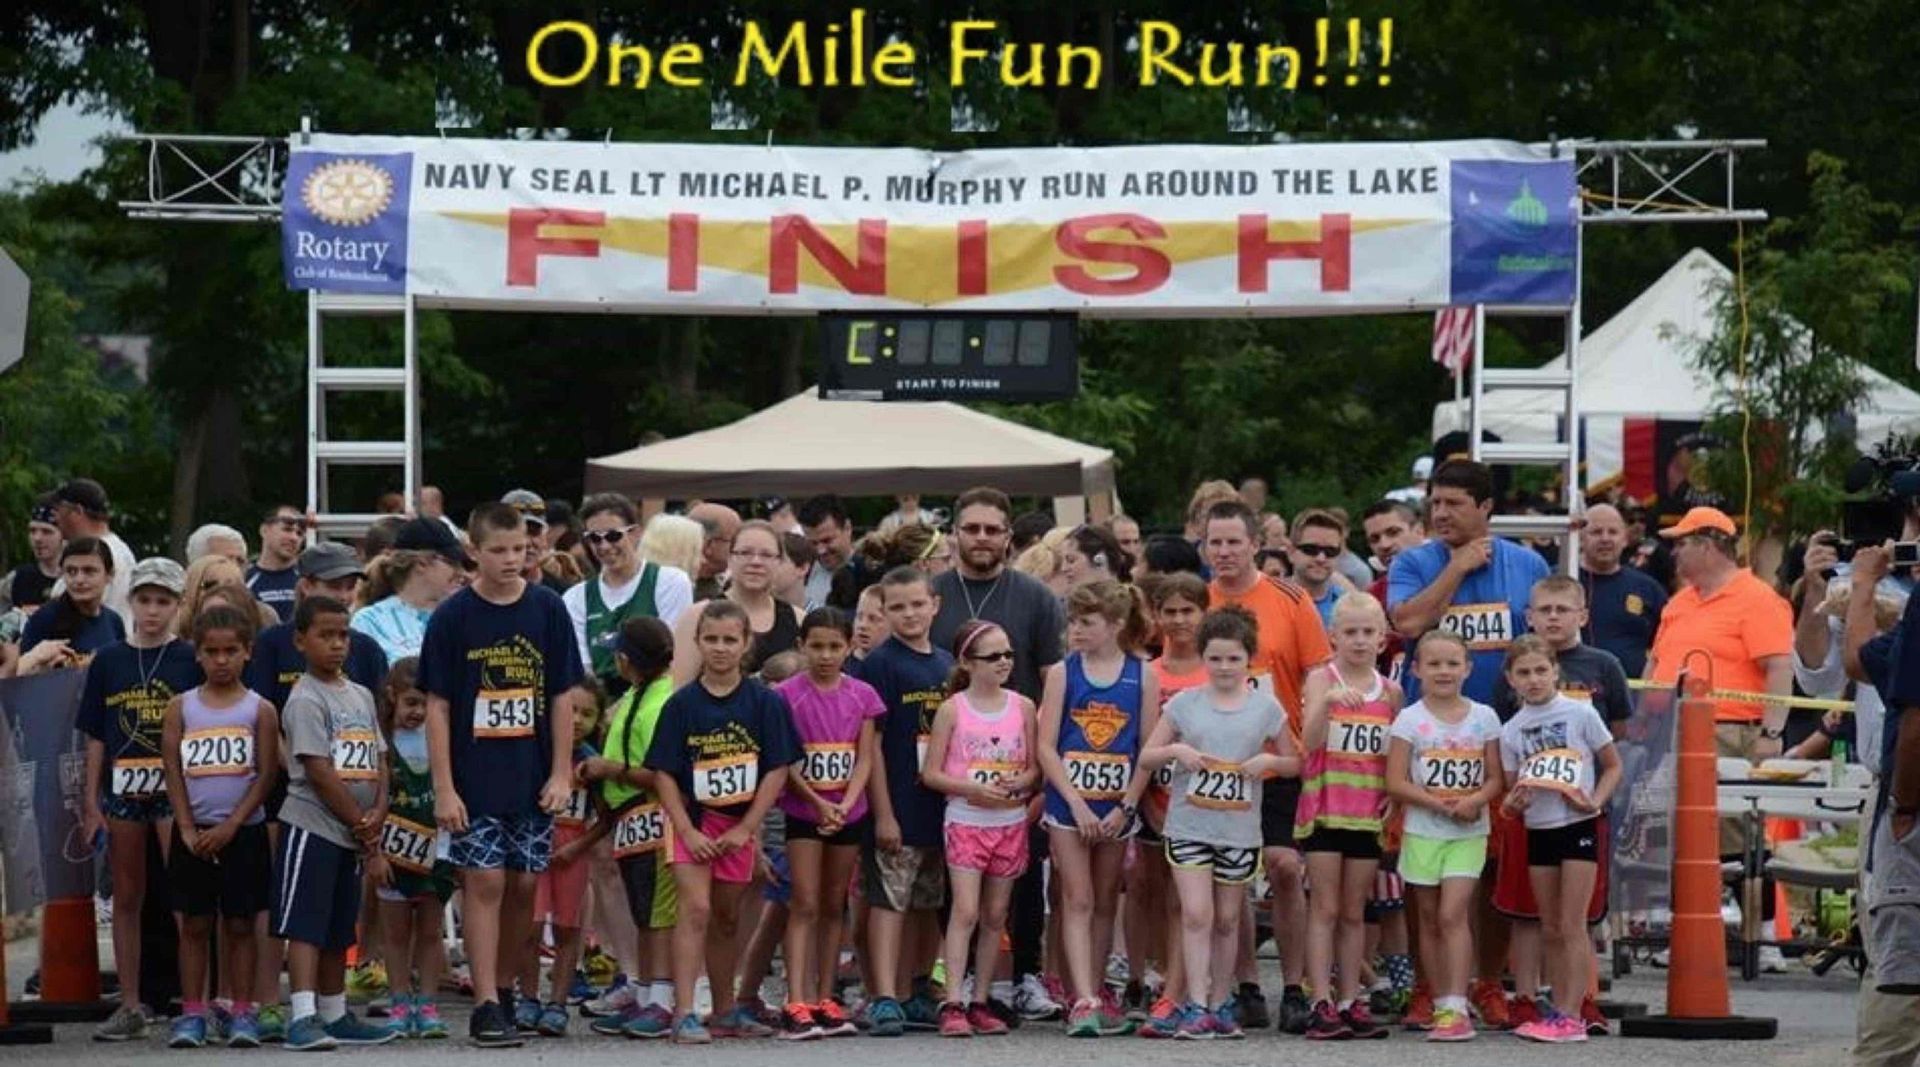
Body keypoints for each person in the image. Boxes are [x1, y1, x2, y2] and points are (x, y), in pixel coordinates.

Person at [420, 502, 585, 1047]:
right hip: (473, 775)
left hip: (533, 773)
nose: (511, 559)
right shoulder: (453, 617)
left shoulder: (547, 610)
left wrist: (563, 772)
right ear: (474, 552)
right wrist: (443, 787)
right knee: (484, 881)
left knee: (523, 883)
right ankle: (486, 998)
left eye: (519, 549)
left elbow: (562, 696)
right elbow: (438, 706)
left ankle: (510, 986)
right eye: (498, 551)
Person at [930, 487, 1066, 1021]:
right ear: (956, 534)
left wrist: (1040, 775)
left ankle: (1024, 975)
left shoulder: (1034, 597)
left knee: (1018, 890)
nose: (982, 538)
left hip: (1018, 753)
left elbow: (1053, 677)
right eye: (972, 528)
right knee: (953, 895)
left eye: (992, 529)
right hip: (952, 755)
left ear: (1008, 536)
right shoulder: (934, 592)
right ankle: (949, 987)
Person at [644, 600, 800, 1044]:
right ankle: (686, 1011)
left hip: (737, 825)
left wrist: (747, 828)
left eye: (730, 639)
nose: (720, 648)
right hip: (693, 818)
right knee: (695, 909)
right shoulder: (682, 705)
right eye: (711, 639)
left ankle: (726, 1009)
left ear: (746, 644)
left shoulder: (764, 703)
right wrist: (688, 830)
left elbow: (776, 768)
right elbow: (664, 774)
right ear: (697, 643)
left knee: (727, 917)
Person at [1138, 606, 1298, 1040]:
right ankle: (1194, 1002)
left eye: (1233, 659)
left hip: (1240, 831)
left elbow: (1296, 761)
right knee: (1195, 913)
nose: (1224, 667)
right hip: (1189, 826)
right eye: (1215, 658)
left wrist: (1269, 760)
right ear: (1203, 659)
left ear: (1249, 660)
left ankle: (1220, 1002)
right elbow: (1146, 755)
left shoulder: (1267, 708)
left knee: (1228, 918)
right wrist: (1176, 752)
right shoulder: (1185, 705)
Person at [1201, 498, 1331, 1031]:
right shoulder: (1196, 600)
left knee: (1281, 866)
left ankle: (1295, 987)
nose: (1225, 551)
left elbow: (1319, 673)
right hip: (1216, 763)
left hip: (1278, 760)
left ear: (1256, 543)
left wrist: (1309, 742)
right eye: (1215, 541)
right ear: (1203, 546)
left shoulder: (1290, 599)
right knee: (1227, 875)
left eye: (1235, 540)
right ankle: (1246, 984)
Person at [82, 558, 202, 1042]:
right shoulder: (109, 661)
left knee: (184, 893)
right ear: (130, 601)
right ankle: (131, 1002)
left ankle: (196, 999)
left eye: (163, 601)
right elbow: (95, 735)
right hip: (124, 791)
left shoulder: (189, 658)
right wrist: (91, 802)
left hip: (177, 790)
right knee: (128, 896)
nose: (152, 611)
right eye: (145, 600)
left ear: (178, 606)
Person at [271, 595, 399, 1050]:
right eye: (325, 636)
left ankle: (334, 1010)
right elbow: (319, 769)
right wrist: (362, 824)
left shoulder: (361, 693)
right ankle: (303, 1015)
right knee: (306, 922)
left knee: (338, 925)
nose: (337, 644)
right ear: (301, 641)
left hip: (354, 830)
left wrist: (379, 809)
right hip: (316, 825)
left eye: (343, 634)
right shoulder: (305, 698)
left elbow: (380, 758)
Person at [1037, 580, 1157, 1037]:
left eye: (1087, 622)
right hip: (1071, 805)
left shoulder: (1142, 674)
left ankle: (1097, 988)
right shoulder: (1064, 673)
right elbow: (1046, 747)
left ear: (1115, 625)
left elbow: (1146, 748)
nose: (1076, 630)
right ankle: (1081, 997)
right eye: (1073, 622)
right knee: (1078, 897)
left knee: (1106, 900)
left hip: (1116, 807)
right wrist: (1076, 804)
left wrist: (1125, 806)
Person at [159, 604, 277, 1049]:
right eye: (212, 651)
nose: (222, 660)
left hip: (242, 832)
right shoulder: (181, 707)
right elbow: (172, 768)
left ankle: (242, 1009)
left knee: (242, 923)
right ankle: (193, 1011)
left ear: (247, 652)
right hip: (194, 832)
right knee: (194, 923)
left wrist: (233, 825)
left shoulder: (259, 709)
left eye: (231, 651)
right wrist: (187, 828)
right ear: (198, 654)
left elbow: (265, 774)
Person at [1644, 507, 1793, 855]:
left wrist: (1771, 734)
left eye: (1681, 543)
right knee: (1673, 835)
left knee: (1730, 834)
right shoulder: (1680, 601)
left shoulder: (1757, 598)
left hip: (1728, 732)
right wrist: (1645, 721)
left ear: (1707, 546)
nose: (1674, 553)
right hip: (1669, 729)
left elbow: (1779, 667)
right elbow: (1654, 663)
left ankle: (1747, 905)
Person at [1498, 636, 1622, 1046]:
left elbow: (1612, 766)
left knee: (1573, 924)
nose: (1533, 680)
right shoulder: (1512, 731)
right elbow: (1513, 796)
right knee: (1549, 925)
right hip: (1540, 829)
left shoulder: (1579, 713)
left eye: (1540, 671)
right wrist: (1513, 804)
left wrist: (1595, 803)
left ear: (1555, 672)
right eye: (1523, 673)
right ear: (1511, 679)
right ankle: (1560, 1010)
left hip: (1578, 826)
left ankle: (1571, 1013)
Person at [920, 619, 1038, 1038]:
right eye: (992, 656)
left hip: (1008, 820)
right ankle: (953, 999)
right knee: (966, 910)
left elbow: (1034, 768)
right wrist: (970, 787)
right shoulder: (954, 708)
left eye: (1008, 654)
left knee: (995, 915)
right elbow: (931, 773)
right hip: (967, 820)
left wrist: (1019, 783)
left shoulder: (1022, 707)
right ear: (968, 663)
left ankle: (982, 999)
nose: (1004, 662)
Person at [1387, 630, 1504, 1043]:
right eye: (1433, 663)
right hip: (1423, 830)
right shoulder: (1408, 719)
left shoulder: (1484, 717)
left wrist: (1474, 800)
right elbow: (1395, 781)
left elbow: (1496, 778)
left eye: (1452, 663)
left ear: (1468, 668)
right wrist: (1437, 804)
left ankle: (1456, 1005)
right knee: (1431, 920)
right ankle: (1441, 1002)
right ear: (1416, 670)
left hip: (1468, 831)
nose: (1443, 671)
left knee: (1454, 913)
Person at [773, 607, 884, 1039]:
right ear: (801, 646)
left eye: (835, 646)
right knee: (804, 901)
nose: (825, 655)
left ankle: (825, 996)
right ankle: (796, 998)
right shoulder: (785, 695)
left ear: (849, 647)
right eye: (816, 646)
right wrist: (818, 802)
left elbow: (865, 757)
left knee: (834, 902)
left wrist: (848, 802)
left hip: (847, 811)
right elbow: (786, 758)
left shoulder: (863, 695)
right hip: (805, 812)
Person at [1295, 593, 1400, 1040]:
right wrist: (1326, 702)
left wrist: (1395, 794)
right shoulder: (1323, 678)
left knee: (1355, 911)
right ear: (1333, 637)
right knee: (1325, 907)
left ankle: (1349, 998)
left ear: (1382, 639)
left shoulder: (1391, 691)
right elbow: (1310, 744)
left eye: (1367, 633)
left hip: (1367, 812)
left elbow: (1397, 752)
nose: (1359, 641)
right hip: (1324, 809)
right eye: (1350, 633)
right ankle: (1320, 998)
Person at [857, 567, 957, 1035]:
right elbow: (870, 745)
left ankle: (918, 986)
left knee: (926, 900)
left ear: (934, 604)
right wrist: (884, 813)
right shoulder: (881, 663)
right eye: (897, 607)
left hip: (938, 807)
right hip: (896, 805)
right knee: (889, 901)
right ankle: (882, 993)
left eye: (917, 604)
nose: (909, 614)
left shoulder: (945, 663)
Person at [580, 616, 680, 1040]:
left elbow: (660, 772)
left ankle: (661, 997)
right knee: (643, 910)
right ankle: (645, 992)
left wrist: (609, 768)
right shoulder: (638, 696)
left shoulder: (659, 704)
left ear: (625, 660)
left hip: (652, 815)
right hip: (629, 819)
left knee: (658, 911)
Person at [1133, 573, 1210, 1036]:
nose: (1179, 620)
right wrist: (1143, 801)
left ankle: (1177, 991)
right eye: (1170, 611)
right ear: (1156, 616)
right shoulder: (1148, 673)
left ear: (1204, 614)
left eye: (1188, 611)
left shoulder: (1215, 669)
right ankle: (1153, 975)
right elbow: (1137, 743)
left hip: (1203, 803)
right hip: (1154, 796)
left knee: (1189, 900)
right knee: (1148, 888)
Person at [372, 657, 454, 1040]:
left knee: (430, 931)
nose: (417, 713)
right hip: (392, 854)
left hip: (436, 851)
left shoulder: (440, 737)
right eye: (410, 703)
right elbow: (372, 799)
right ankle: (400, 999)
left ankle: (428, 1002)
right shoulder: (381, 742)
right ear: (392, 697)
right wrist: (373, 853)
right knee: (395, 933)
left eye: (423, 704)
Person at [519, 690, 610, 1036]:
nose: (576, 720)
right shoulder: (537, 755)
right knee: (528, 925)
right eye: (570, 710)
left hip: (572, 852)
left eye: (586, 714)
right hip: (534, 848)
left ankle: (557, 1002)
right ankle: (528, 997)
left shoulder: (590, 762)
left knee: (568, 928)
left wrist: (578, 848)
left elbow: (605, 818)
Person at [566, 494, 694, 694]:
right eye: (594, 538)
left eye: (613, 536)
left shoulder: (670, 582)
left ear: (635, 533)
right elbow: (582, 668)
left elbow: (671, 656)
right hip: (599, 704)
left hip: (653, 698)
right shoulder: (575, 597)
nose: (604, 546)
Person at [246, 543, 389, 713]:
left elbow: (380, 715)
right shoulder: (271, 643)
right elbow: (259, 711)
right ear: (307, 586)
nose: (343, 596)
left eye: (350, 586)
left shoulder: (367, 649)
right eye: (334, 586)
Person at [1493, 576, 1633, 735]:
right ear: (1529, 617)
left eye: (1562, 610)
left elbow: (1619, 730)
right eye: (1545, 610)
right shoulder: (1515, 665)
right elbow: (1503, 727)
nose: (1553, 616)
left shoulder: (1606, 665)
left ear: (1582, 617)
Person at [671, 520, 804, 682]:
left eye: (766, 555)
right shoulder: (697, 616)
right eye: (745, 553)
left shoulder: (798, 619)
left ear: (779, 562)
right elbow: (681, 689)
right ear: (730, 558)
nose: (756, 562)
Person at [352, 518, 467, 664]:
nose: (461, 572)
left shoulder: (465, 618)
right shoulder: (370, 621)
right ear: (421, 563)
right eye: (452, 563)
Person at [1577, 504, 1667, 677]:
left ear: (1625, 539)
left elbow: (1667, 645)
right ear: (1581, 539)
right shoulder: (1563, 582)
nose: (1605, 539)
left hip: (1632, 696)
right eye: (1596, 532)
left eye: (1613, 532)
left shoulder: (1648, 588)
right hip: (1573, 693)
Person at [17, 537, 125, 674]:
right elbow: (17, 678)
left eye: (89, 571)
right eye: (71, 571)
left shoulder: (114, 621)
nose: (79, 580)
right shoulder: (46, 618)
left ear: (109, 574)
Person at [52, 478, 136, 618]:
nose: (56, 518)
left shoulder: (96, 554)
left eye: (58, 510)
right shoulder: (122, 550)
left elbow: (68, 611)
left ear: (77, 511)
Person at [1361, 499, 1426, 680]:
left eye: (1393, 532)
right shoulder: (1371, 597)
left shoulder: (1450, 576)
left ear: (1419, 531)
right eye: (1375, 539)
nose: (1384, 545)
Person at [1291, 509, 1352, 629]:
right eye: (1311, 549)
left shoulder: (1349, 606)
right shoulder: (1271, 600)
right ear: (1291, 552)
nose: (1321, 558)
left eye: (1330, 551)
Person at [1, 496, 63, 613]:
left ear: (63, 535)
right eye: (32, 531)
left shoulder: (76, 578)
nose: (37, 538)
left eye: (47, 532)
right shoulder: (17, 578)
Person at [248, 504, 308, 623]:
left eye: (299, 533)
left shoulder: (307, 580)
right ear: (264, 530)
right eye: (287, 529)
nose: (294, 538)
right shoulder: (244, 580)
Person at [688, 502, 743, 602]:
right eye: (734, 541)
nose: (740, 549)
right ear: (708, 544)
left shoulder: (730, 586)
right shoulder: (672, 586)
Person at [1057, 524, 1131, 590]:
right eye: (1062, 560)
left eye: (1071, 560)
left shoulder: (1134, 602)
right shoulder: (1064, 603)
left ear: (1100, 560)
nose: (1063, 568)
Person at [852, 584, 889, 660]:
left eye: (873, 619)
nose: (862, 625)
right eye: (859, 617)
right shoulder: (840, 665)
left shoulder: (902, 667)